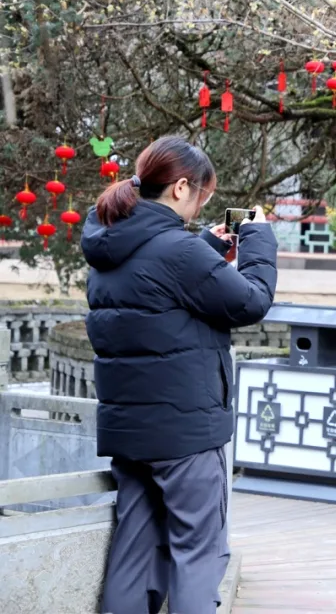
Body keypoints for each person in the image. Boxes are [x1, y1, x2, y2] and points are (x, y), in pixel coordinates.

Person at [82, 136, 277, 614]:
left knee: (133, 556)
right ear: (180, 187)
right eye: (202, 195)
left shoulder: (109, 248)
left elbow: (160, 292)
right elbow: (250, 302)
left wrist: (208, 247)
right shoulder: (179, 252)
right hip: (186, 434)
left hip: (131, 433)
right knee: (198, 554)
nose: (200, 205)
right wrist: (259, 242)